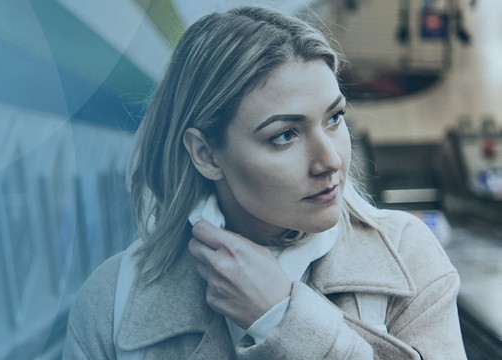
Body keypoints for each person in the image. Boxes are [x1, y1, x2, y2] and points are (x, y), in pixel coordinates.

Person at [63, 6, 467, 359]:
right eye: (285, 135)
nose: (330, 160)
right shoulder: (113, 301)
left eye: (334, 118)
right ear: (206, 154)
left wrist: (284, 321)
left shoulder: (409, 258)